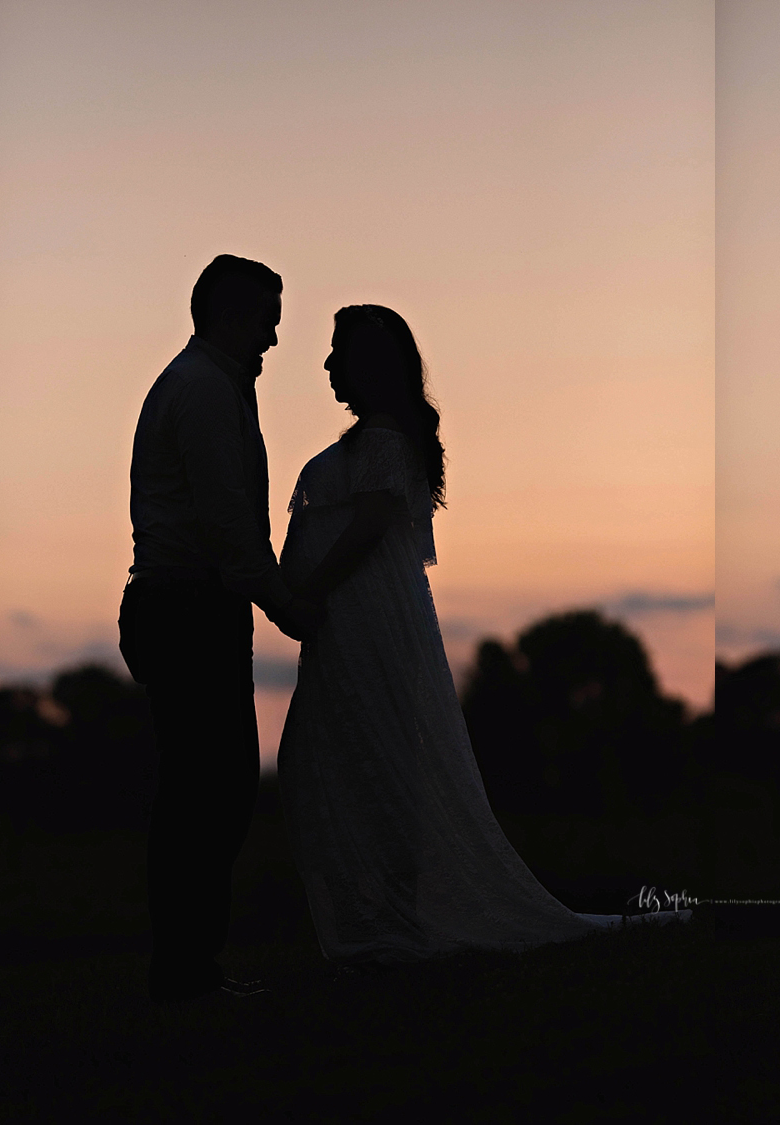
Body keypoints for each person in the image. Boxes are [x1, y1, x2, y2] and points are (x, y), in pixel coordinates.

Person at [277, 305, 681, 963]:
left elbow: (371, 525)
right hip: (353, 627)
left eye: (336, 354)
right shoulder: (377, 437)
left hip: (362, 628)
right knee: (337, 757)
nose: (325, 366)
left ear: (368, 365)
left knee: (346, 757)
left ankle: (385, 916)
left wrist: (309, 589)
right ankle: (371, 912)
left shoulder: (380, 439)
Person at [119, 254, 318, 1003]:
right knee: (210, 789)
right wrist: (287, 607)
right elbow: (229, 527)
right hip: (189, 611)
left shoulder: (210, 385)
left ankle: (186, 965)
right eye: (267, 320)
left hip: (185, 606)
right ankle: (185, 971)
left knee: (207, 787)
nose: (272, 338)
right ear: (232, 316)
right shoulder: (203, 392)